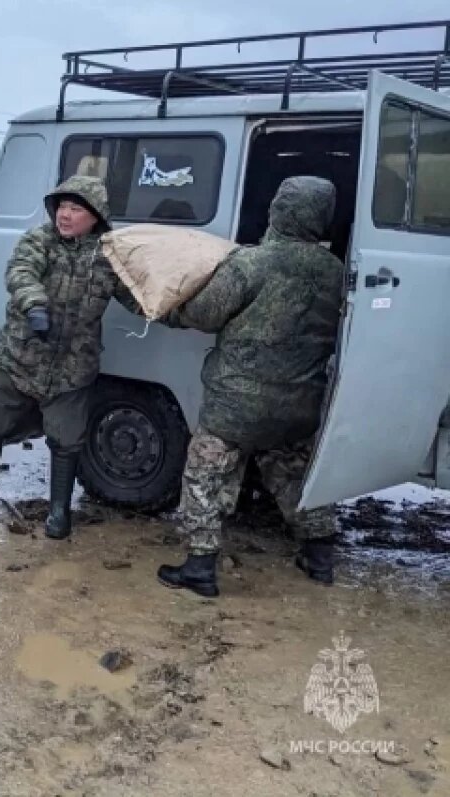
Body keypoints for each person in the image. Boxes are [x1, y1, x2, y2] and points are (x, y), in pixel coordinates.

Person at [157, 176, 344, 597]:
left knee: (206, 476)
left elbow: (203, 314)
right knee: (295, 476)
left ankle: (200, 568)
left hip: (236, 404)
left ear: (279, 211)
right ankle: (319, 558)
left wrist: (165, 310)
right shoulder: (338, 272)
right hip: (299, 403)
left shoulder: (252, 263)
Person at [0, 176, 143, 540]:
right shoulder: (38, 240)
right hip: (21, 356)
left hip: (73, 366)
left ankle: (59, 510)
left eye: (75, 209)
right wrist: (35, 305)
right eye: (62, 207)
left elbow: (136, 298)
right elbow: (21, 273)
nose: (65, 215)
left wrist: (172, 309)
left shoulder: (108, 257)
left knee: (67, 438)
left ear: (96, 217)